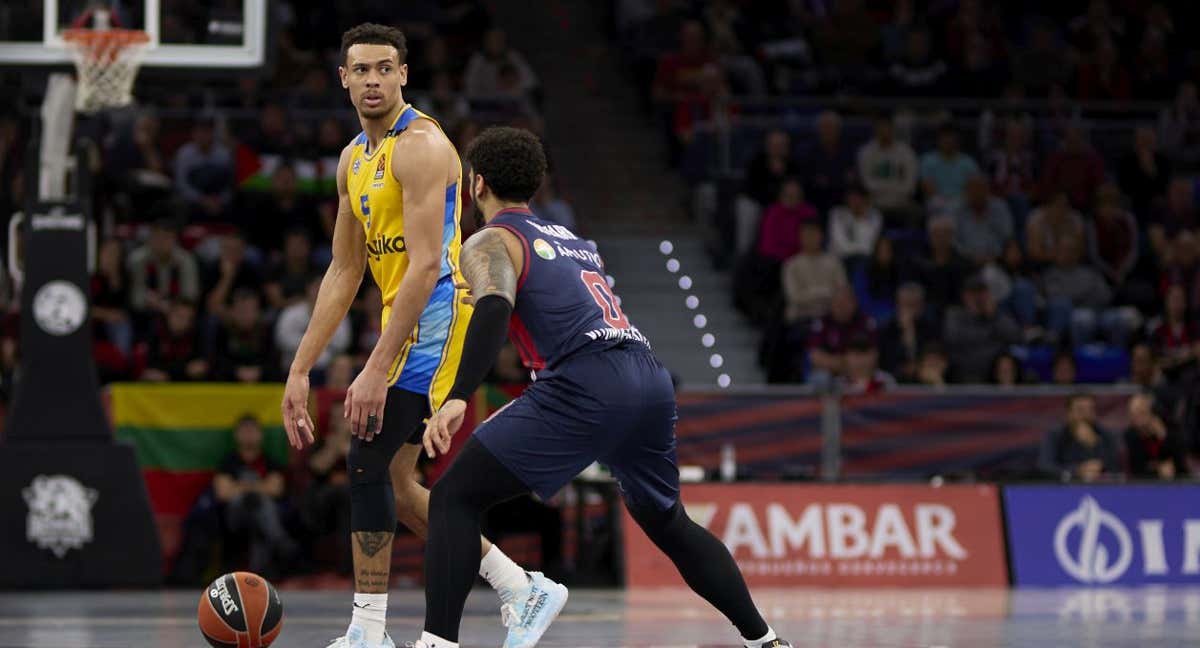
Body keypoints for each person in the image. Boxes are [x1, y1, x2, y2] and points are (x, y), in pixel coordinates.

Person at [414, 127, 792, 648]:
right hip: (647, 375)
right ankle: (765, 640)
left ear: (476, 183)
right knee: (669, 522)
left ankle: (437, 643)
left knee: (453, 498)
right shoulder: (575, 242)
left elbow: (495, 306)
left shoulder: (492, 239)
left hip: (587, 381)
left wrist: (458, 395)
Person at [277, 25, 543, 648]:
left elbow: (426, 266)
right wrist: (299, 368)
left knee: (366, 459)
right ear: (343, 78)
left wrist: (373, 367)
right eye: (361, 70)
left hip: (443, 318)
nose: (373, 80)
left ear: (403, 75)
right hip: (408, 319)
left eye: (384, 69)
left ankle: (368, 630)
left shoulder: (421, 147)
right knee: (396, 487)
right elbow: (344, 270)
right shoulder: (353, 159)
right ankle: (518, 586)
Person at [1037, 393, 1121, 482]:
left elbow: (1115, 468)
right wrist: (1077, 470)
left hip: (1101, 489)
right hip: (1063, 489)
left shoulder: (1105, 435)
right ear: (1069, 413)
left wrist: (1094, 445)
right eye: (1080, 410)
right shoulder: (1055, 435)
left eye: (1090, 410)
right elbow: (1045, 466)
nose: (1086, 415)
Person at [1125, 392, 1190, 480]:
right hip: (1144, 485)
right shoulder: (1131, 435)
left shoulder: (1172, 431)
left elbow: (1181, 465)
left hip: (1177, 483)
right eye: (1132, 414)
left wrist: (1163, 436)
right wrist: (1158, 470)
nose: (1136, 418)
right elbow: (1137, 470)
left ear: (1151, 412)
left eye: (1141, 413)